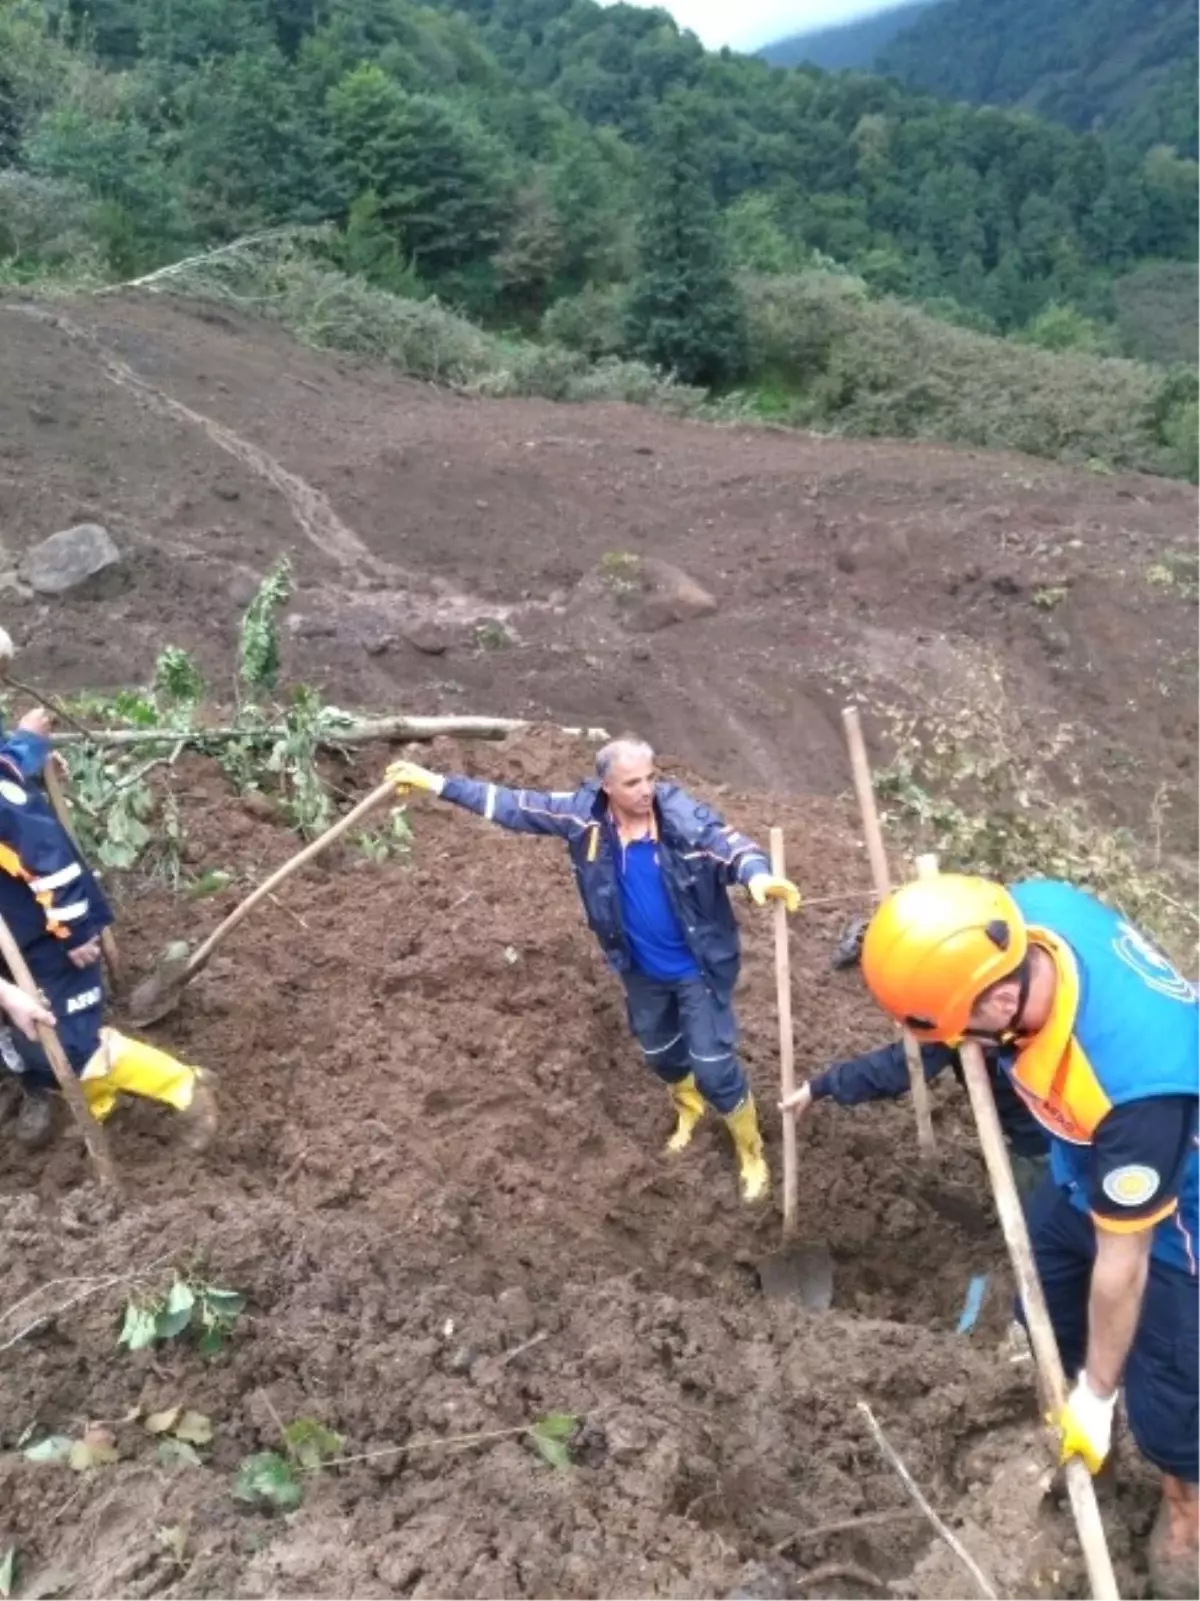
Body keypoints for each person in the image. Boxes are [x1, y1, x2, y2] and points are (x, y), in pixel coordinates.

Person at [858, 872, 1200, 1598]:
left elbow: (1125, 1262)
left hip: (1176, 1215)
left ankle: (1185, 1507)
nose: (961, 1046)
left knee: (1170, 1391)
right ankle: (1066, 1414)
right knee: (1042, 1288)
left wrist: (1103, 1396)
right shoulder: (1025, 913)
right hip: (1083, 1157)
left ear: (1003, 1000)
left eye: (963, 1032)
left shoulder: (1136, 1081)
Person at [386, 737, 801, 1203]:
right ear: (606, 787)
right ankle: (690, 1109)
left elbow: (729, 845)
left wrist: (758, 875)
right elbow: (514, 804)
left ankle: (751, 1151)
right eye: (632, 782)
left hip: (695, 971)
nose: (646, 790)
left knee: (713, 1066)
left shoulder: (682, 823)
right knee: (661, 1053)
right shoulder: (586, 818)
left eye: (651, 778)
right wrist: (437, 784)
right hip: (640, 969)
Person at [0, 709, 217, 1150]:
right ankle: (87, 1097)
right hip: (11, 947)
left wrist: (75, 930)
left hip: (50, 939)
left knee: (70, 1043)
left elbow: (50, 862)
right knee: (24, 1039)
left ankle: (184, 1088)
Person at [783, 1038, 1051, 1201]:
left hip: (1049, 1136)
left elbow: (899, 1067)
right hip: (1038, 1128)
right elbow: (902, 1064)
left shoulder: (968, 1014)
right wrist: (820, 1086)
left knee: (1045, 1206)